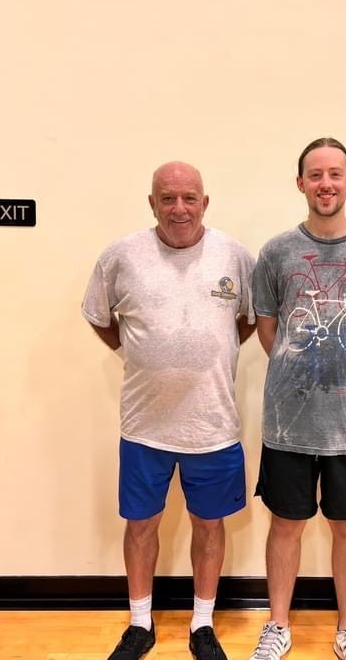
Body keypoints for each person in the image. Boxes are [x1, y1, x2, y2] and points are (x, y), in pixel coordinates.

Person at [82, 161, 256, 660]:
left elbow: (247, 320)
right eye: (167, 198)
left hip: (213, 425)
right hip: (145, 426)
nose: (179, 209)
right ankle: (140, 623)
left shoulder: (234, 255)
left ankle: (203, 624)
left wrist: (212, 351)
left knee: (210, 525)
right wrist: (133, 351)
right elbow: (98, 315)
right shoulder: (121, 256)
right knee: (141, 526)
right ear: (152, 203)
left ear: (205, 202)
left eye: (189, 198)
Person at [248, 138, 346, 660]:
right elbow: (268, 330)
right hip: (287, 422)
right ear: (300, 183)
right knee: (285, 525)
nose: (326, 184)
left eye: (335, 174)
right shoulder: (276, 252)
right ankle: (277, 624)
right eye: (315, 175)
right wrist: (305, 370)